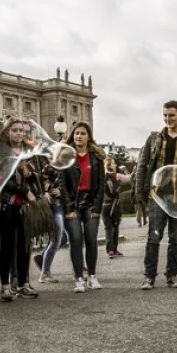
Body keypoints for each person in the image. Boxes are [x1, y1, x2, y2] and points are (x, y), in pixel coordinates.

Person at [133, 100, 177, 290]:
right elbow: (142, 165)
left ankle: (172, 275)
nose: (167, 119)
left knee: (175, 238)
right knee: (153, 237)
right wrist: (139, 192)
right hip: (157, 195)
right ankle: (149, 276)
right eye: (165, 115)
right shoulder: (154, 139)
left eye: (171, 115)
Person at [0, 118, 39, 301]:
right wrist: (25, 190)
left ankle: (23, 283)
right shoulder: (0, 152)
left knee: (25, 245)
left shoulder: (29, 152)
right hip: (8, 203)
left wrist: (31, 175)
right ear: (7, 132)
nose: (19, 133)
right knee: (6, 246)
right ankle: (5, 286)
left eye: (22, 130)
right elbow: (2, 179)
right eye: (15, 130)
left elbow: (38, 176)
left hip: (25, 206)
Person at [59, 122, 106, 293]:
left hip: (91, 203)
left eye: (83, 133)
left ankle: (92, 276)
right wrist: (69, 208)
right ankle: (79, 277)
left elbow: (101, 185)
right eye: (77, 133)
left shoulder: (97, 157)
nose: (79, 136)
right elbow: (62, 184)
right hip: (73, 204)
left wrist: (97, 208)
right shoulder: (66, 156)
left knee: (91, 239)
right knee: (76, 240)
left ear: (88, 137)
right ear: (73, 136)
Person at [101, 160, 131, 259]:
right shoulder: (116, 175)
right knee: (115, 227)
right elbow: (129, 178)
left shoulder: (101, 177)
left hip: (104, 205)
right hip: (115, 205)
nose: (116, 165)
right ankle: (114, 249)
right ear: (109, 166)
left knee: (107, 228)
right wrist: (127, 171)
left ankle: (110, 250)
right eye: (113, 163)